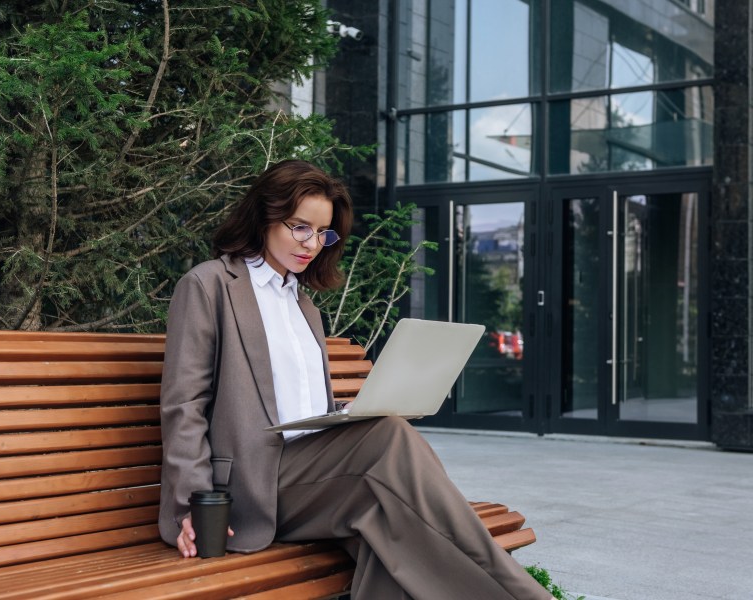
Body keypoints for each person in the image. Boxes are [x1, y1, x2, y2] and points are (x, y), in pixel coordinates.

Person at [158, 159, 552, 599]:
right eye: (300, 227)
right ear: (264, 215)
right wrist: (189, 506)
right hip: (252, 484)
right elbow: (185, 404)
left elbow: (303, 408)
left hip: (315, 473)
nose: (312, 244)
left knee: (390, 534)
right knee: (389, 439)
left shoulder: (303, 305)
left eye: (323, 234)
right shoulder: (210, 285)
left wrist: (347, 416)